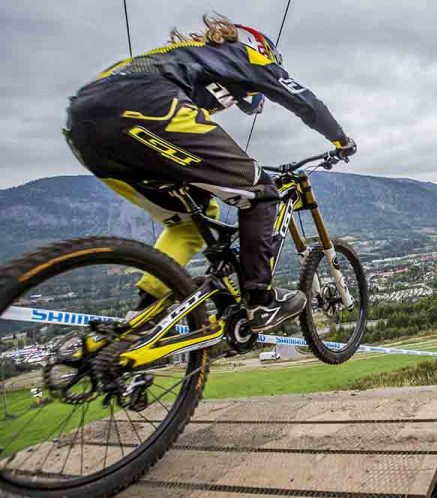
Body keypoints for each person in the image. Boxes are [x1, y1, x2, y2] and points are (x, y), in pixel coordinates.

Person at [64, 14, 356, 332]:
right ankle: (260, 301)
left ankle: (141, 318)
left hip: (83, 124)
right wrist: (341, 139)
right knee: (260, 189)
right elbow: (303, 100)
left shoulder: (183, 59)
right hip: (146, 106)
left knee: (193, 220)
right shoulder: (245, 53)